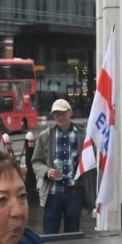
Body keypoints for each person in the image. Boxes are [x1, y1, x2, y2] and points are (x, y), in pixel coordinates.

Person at [31, 99, 95, 234]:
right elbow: (36, 161)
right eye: (56, 114)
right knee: (50, 232)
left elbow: (91, 161)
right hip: (52, 192)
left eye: (63, 113)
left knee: (72, 232)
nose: (60, 117)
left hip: (74, 191)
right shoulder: (46, 136)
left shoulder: (82, 134)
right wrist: (47, 171)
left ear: (70, 113)